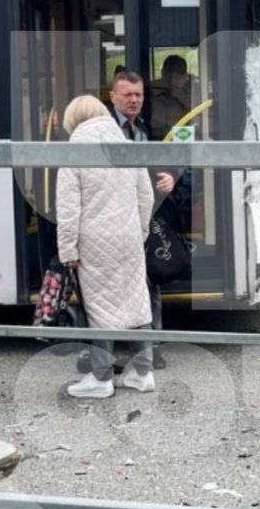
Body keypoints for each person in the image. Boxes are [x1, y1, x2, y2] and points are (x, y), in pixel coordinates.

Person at [56, 95, 154, 399]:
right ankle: (143, 373)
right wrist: (140, 230)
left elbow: (68, 209)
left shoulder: (75, 151)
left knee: (101, 309)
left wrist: (68, 250)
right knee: (137, 303)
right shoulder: (126, 143)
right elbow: (146, 195)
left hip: (95, 240)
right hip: (128, 236)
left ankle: (100, 379)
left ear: (73, 120)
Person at [109, 68, 179, 369]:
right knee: (111, 290)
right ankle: (105, 354)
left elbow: (142, 172)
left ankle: (151, 348)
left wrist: (166, 178)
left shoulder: (140, 130)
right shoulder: (105, 129)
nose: (134, 100)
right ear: (113, 97)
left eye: (138, 95)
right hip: (112, 221)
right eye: (128, 95)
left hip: (138, 219)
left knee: (148, 284)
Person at [149, 53, 193, 141]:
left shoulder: (195, 100)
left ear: (185, 78)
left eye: (177, 77)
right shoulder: (151, 100)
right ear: (162, 75)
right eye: (169, 76)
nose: (172, 82)